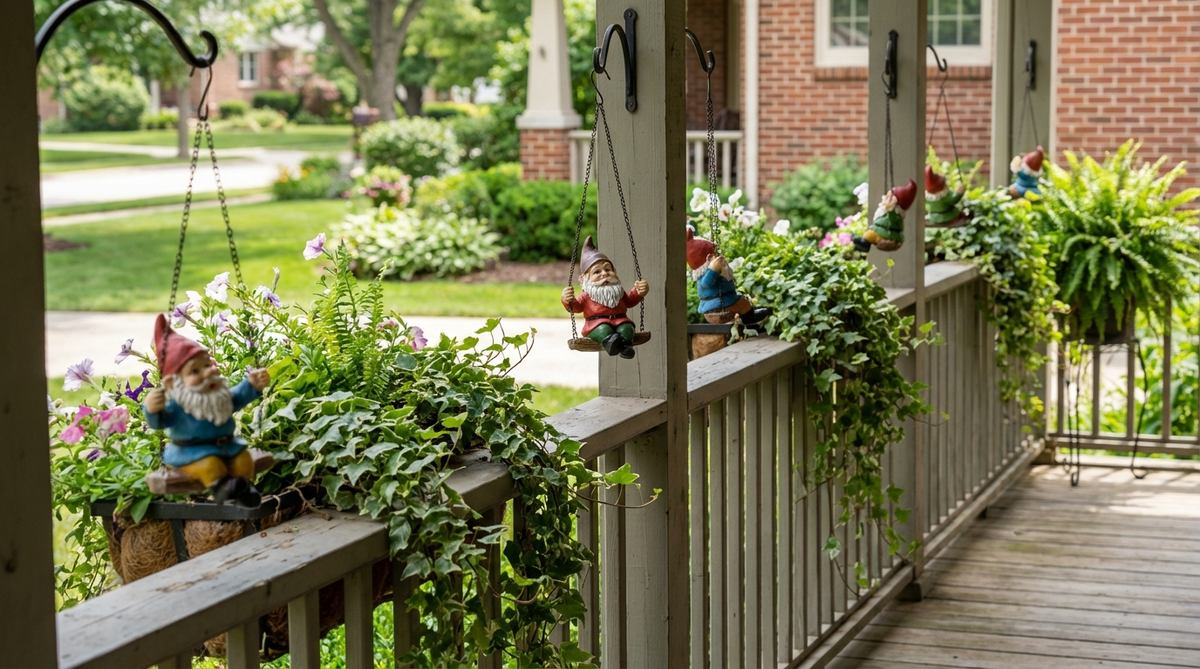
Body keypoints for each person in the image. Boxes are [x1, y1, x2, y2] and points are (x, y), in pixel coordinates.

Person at [143, 314, 269, 506]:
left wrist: (251, 385)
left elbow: (236, 398)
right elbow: (159, 421)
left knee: (244, 460)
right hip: (192, 453)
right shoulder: (178, 404)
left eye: (207, 365)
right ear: (173, 382)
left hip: (228, 446)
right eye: (195, 371)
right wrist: (152, 409)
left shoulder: (219, 397)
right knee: (211, 466)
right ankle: (224, 491)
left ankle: (243, 491)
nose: (208, 372)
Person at [561, 236, 648, 358]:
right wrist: (568, 300)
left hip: (621, 320)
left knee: (627, 329)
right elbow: (576, 307)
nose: (604, 274)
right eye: (597, 272)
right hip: (596, 324)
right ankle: (613, 344)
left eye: (608, 269)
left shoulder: (618, 291)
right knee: (603, 330)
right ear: (584, 279)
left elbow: (629, 301)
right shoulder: (587, 296)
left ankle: (625, 348)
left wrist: (639, 292)